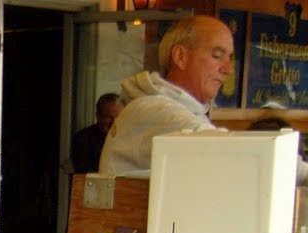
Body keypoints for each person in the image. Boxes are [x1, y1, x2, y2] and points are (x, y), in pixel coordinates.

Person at [99, 15, 232, 177]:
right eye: (217, 55)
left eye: (229, 58)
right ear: (180, 56)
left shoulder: (174, 109)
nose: (227, 69)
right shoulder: (152, 109)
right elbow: (230, 154)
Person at [71, 93, 122, 174]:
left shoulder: (127, 138)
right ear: (98, 116)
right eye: (108, 117)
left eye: (118, 116)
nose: (114, 122)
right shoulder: (83, 139)